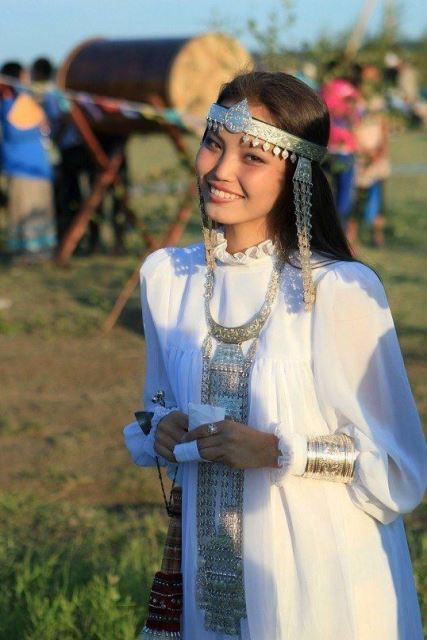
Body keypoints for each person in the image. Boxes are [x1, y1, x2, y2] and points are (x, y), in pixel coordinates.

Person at [123, 71, 425, 640]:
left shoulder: (335, 290)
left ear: (297, 176)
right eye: (213, 144)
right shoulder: (168, 278)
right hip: (207, 581)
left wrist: (277, 450)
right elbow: (155, 405)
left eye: (252, 158)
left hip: (322, 575)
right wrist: (162, 428)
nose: (221, 170)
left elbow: (399, 469)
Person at [0, 61, 56, 262]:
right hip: (29, 166)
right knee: (26, 208)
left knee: (29, 208)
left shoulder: (16, 103)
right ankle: (35, 251)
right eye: (24, 77)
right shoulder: (21, 102)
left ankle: (31, 251)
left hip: (27, 166)